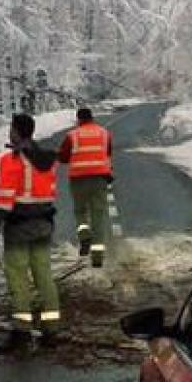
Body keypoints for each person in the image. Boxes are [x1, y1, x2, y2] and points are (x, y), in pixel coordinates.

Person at [0, 113, 60, 352]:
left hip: (19, 227)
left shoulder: (11, 160)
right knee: (43, 276)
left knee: (18, 279)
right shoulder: (47, 159)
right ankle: (51, 331)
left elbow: (6, 198)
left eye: (11, 128)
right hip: (44, 225)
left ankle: (21, 332)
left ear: (17, 131)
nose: (9, 132)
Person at [57, 106, 114, 267]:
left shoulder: (72, 136)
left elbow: (63, 158)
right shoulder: (105, 134)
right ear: (92, 118)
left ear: (79, 119)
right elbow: (107, 154)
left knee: (80, 211)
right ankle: (97, 258)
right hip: (99, 179)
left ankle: (84, 236)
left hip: (78, 179)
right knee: (98, 216)